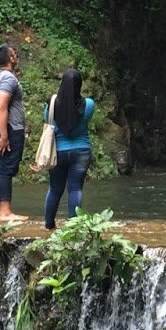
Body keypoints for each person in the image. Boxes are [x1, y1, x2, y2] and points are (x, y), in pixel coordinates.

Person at [42, 69, 95, 230]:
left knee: (55, 189)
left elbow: (48, 121)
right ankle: (73, 227)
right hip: (81, 151)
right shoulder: (89, 105)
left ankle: (49, 224)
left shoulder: (51, 106)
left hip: (58, 152)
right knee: (75, 189)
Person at [0, 43, 27, 222]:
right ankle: (6, 212)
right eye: (14, 53)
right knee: (6, 170)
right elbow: (1, 106)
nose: (16, 56)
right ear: (10, 58)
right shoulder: (9, 79)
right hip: (10, 129)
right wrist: (4, 136)